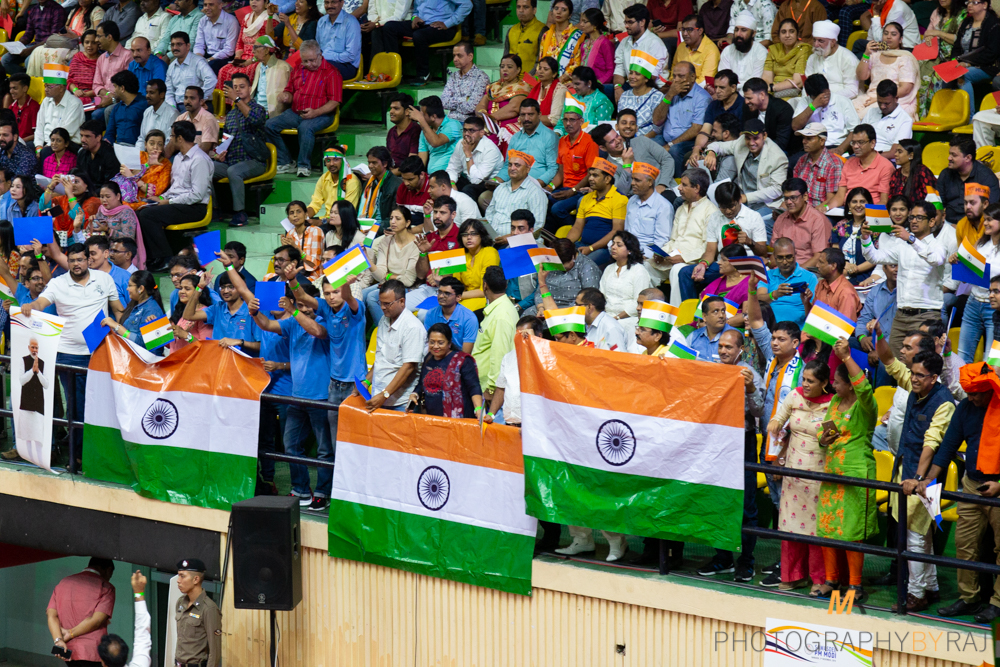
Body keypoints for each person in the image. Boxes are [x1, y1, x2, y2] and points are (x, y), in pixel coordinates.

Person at [23, 243, 123, 459]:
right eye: (72, 260)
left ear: (88, 260)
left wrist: (126, 332)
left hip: (101, 351)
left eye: (80, 260)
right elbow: (42, 302)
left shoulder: (104, 280)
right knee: (77, 407)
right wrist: (32, 306)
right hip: (69, 355)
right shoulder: (59, 283)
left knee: (102, 404)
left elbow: (117, 309)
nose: (76, 264)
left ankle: (101, 454)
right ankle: (78, 456)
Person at [875, 331, 951, 611]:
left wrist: (919, 479)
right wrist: (879, 335)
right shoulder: (916, 385)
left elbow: (931, 444)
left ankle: (916, 594)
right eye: (913, 374)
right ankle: (930, 588)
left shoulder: (944, 403)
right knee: (922, 535)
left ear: (933, 377)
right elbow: (890, 362)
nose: (914, 379)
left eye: (920, 375)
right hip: (906, 471)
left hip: (925, 479)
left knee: (915, 537)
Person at [928, 363, 1000, 622]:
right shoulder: (966, 408)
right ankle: (969, 597)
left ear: (990, 389)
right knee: (964, 543)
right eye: (968, 394)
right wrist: (927, 479)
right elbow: (947, 446)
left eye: (976, 394)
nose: (970, 398)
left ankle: (998, 602)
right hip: (972, 483)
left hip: (998, 486)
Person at [812, 339, 878, 600]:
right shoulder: (834, 402)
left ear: (850, 383)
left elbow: (864, 388)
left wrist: (847, 357)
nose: (833, 386)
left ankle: (855, 585)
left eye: (837, 382)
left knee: (851, 532)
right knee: (828, 526)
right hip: (831, 471)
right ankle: (831, 581)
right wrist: (822, 439)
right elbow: (824, 428)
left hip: (855, 473)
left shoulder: (866, 406)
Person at [696, 328, 764, 580]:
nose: (723, 351)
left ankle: (746, 560)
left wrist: (749, 389)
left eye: (729, 347)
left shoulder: (749, 374)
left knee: (746, 505)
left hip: (742, 442)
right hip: (715, 442)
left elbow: (758, 413)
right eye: (721, 347)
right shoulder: (712, 370)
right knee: (718, 499)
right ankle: (723, 558)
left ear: (741, 350)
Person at [764, 359, 833, 593]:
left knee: (815, 530)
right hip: (793, 473)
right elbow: (777, 418)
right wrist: (774, 425)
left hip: (819, 475)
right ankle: (792, 576)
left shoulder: (833, 404)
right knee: (790, 526)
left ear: (824, 383)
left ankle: (818, 579)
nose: (805, 384)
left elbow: (833, 439)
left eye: (811, 381)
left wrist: (828, 436)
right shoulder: (794, 396)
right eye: (804, 379)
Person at [860, 199, 947, 357]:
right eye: (912, 217)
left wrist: (911, 239)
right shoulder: (902, 246)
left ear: (932, 221)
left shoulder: (937, 245)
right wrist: (865, 238)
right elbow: (875, 257)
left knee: (921, 363)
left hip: (926, 315)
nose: (914, 221)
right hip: (901, 315)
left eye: (919, 218)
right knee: (892, 363)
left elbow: (936, 259)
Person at [138, 121, 212, 273]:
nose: (170, 140)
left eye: (171, 136)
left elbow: (197, 194)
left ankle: (165, 258)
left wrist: (169, 201)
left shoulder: (200, 160)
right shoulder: (178, 158)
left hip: (194, 207)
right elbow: (175, 187)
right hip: (178, 203)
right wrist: (161, 198)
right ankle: (153, 257)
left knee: (148, 215)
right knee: (141, 210)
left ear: (179, 138)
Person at [677, 180, 766, 300]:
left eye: (731, 206)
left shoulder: (753, 217)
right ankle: (692, 313)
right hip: (722, 265)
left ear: (740, 200)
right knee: (685, 273)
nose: (728, 211)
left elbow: (762, 252)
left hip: (744, 265)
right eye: (723, 207)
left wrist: (750, 242)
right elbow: (710, 251)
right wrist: (703, 264)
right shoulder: (715, 217)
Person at [265, 40, 340, 177]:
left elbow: (334, 101)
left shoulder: (331, 72)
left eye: (311, 60)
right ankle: (286, 162)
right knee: (269, 125)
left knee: (305, 128)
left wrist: (316, 112)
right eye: (305, 61)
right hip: (296, 112)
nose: (308, 64)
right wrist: (286, 96)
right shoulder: (299, 68)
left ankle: (304, 165)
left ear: (320, 55)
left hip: (322, 114)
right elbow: (289, 90)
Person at [704, 118, 787, 232]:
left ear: (765, 136)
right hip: (741, 199)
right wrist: (711, 153)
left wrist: (746, 198)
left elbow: (777, 190)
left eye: (755, 138)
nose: (751, 143)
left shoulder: (778, 157)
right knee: (716, 219)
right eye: (748, 138)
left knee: (746, 226)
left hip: (765, 204)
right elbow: (718, 146)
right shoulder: (741, 143)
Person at [359, 279, 426, 411]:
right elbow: (380, 358)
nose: (382, 307)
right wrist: (366, 382)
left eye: (387, 304)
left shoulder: (412, 327)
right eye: (381, 303)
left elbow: (408, 367)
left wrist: (384, 395)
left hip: (400, 402)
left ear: (402, 301)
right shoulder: (384, 320)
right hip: (379, 396)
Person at [211, 72, 268, 228]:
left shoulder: (258, 109)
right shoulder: (230, 115)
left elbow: (255, 120)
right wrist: (221, 152)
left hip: (254, 161)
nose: (238, 91)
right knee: (206, 167)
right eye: (235, 88)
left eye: (241, 87)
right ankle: (215, 209)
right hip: (232, 160)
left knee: (234, 171)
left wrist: (236, 99)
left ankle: (240, 213)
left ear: (250, 88)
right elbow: (227, 139)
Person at [655, 168, 718, 306]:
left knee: (678, 270)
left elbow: (707, 246)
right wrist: (661, 253)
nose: (679, 188)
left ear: (696, 188)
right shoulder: (680, 208)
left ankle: (679, 320)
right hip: (672, 257)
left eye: (684, 185)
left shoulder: (711, 211)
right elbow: (673, 240)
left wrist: (684, 258)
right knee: (644, 268)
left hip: (691, 261)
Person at [374, 0, 471, 87]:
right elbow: (416, 10)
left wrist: (448, 23)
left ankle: (423, 74)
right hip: (423, 24)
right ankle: (396, 72)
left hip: (443, 27)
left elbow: (467, 5)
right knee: (389, 27)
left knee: (419, 35)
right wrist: (414, 18)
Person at [954, 203, 1000, 363]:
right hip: (973, 303)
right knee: (962, 356)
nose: (985, 223)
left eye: (990, 220)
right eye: (984, 219)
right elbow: (968, 271)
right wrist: (958, 261)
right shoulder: (981, 243)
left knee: (991, 360)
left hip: (994, 307)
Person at [47, 558, 116, 664]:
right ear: (109, 570)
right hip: (94, 652)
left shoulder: (64, 582)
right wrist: (70, 634)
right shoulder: (106, 587)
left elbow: (51, 615)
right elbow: (97, 620)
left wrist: (59, 640)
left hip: (68, 651)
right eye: (110, 575)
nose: (109, 578)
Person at [410, 321, 483, 418]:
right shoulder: (428, 358)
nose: (435, 346)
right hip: (431, 416)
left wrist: (478, 409)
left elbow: (474, 387)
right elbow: (421, 384)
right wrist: (414, 394)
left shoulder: (462, 361)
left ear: (449, 343)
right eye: (432, 342)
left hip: (458, 417)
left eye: (440, 343)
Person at [544, 106, 600, 232]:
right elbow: (560, 173)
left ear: (581, 121)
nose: (568, 123)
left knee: (557, 209)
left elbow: (591, 173)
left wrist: (573, 190)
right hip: (565, 188)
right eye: (565, 120)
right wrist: (549, 187)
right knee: (544, 201)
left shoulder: (589, 142)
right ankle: (551, 239)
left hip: (582, 190)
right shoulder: (562, 141)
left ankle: (574, 235)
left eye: (572, 120)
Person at [566, 158, 627, 268]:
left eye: (595, 175)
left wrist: (591, 248)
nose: (590, 179)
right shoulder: (586, 198)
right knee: (559, 260)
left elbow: (616, 231)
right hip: (583, 245)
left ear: (607, 179)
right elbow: (577, 227)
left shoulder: (620, 199)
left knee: (580, 266)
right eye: (590, 175)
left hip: (604, 249)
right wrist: (565, 245)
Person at [484, 314, 543, 427]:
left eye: (525, 334)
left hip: (534, 425)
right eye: (518, 334)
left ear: (538, 335)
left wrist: (535, 343)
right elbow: (501, 388)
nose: (520, 338)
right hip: (510, 422)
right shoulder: (509, 357)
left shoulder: (545, 356)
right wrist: (491, 414)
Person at [471, 265, 518, 406]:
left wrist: (491, 390)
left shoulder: (501, 316)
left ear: (485, 285)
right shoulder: (500, 309)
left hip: (490, 390)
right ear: (506, 284)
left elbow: (500, 355)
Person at [360, 205, 421, 313]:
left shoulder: (416, 244)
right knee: (362, 294)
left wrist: (388, 276)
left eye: (397, 219)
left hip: (407, 288)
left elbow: (408, 281)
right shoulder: (385, 241)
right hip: (388, 283)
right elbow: (380, 275)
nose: (392, 222)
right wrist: (367, 258)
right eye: (391, 218)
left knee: (372, 297)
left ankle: (384, 327)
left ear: (407, 223)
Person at [593, 119, 675, 198]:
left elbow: (667, 159)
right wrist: (626, 166)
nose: (618, 141)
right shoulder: (608, 167)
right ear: (603, 148)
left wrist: (662, 184)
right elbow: (621, 192)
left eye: (617, 136)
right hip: (638, 201)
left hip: (665, 190)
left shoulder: (641, 141)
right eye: (612, 141)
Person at [855, 23, 919, 122]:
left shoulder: (905, 58)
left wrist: (879, 98)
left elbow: (905, 89)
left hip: (893, 99)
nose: (888, 37)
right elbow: (862, 76)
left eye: (893, 34)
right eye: (886, 33)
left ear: (901, 39)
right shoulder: (875, 54)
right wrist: (866, 54)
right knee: (848, 110)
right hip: (871, 96)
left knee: (864, 116)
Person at [658, 61, 711, 175]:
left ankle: (678, 183)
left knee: (675, 150)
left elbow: (696, 128)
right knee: (647, 144)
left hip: (688, 141)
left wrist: (671, 144)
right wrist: (669, 95)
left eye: (681, 76)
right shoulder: (672, 93)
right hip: (665, 137)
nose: (676, 80)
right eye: (674, 76)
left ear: (692, 77)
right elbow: (657, 120)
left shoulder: (702, 97)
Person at [526, 238, 601, 315]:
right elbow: (540, 291)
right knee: (527, 315)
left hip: (570, 312)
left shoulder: (588, 267)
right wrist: (541, 307)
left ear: (572, 258)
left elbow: (589, 299)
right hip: (546, 307)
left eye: (562, 266)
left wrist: (557, 312)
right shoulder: (552, 262)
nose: (558, 268)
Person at [826, 124, 893, 209]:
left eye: (860, 142)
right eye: (853, 143)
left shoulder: (885, 167)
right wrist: (826, 207)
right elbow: (840, 196)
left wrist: (861, 214)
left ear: (872, 143)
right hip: (846, 211)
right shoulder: (849, 163)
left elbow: (884, 202)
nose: (855, 146)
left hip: (870, 213)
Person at [938, 137, 1000, 225]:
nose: (949, 158)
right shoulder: (945, 174)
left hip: (976, 225)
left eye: (954, 155)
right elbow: (939, 204)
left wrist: (963, 227)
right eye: (949, 154)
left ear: (967, 158)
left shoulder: (986, 177)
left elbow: (991, 211)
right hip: (947, 224)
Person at [686, 69, 745, 163]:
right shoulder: (713, 105)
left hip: (732, 149)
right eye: (716, 87)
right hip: (712, 146)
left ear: (733, 87)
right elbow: (705, 130)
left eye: (722, 88)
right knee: (691, 158)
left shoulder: (744, 106)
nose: (717, 91)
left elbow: (742, 138)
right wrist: (696, 150)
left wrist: (713, 150)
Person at [624, 161, 674, 268]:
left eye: (637, 180)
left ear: (650, 182)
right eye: (632, 179)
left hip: (647, 257)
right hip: (627, 252)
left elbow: (662, 241)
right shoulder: (631, 201)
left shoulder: (663, 206)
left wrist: (642, 255)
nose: (632, 183)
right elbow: (627, 232)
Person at [613, 3, 669, 100]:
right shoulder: (625, 42)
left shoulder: (654, 43)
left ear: (642, 22)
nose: (626, 26)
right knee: (602, 90)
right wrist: (617, 87)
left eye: (630, 22)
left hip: (652, 87)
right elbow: (619, 68)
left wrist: (630, 93)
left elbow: (651, 77)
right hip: (631, 84)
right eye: (625, 22)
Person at [484, 150, 548, 234]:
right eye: (510, 165)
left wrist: (511, 238)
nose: (512, 168)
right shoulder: (500, 188)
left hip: (519, 242)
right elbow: (489, 215)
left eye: (517, 165)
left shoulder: (535, 192)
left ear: (528, 169)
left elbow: (538, 226)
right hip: (493, 239)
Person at [174, 559, 221, 667]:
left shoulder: (209, 609)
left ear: (196, 579)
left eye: (182, 576)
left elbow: (215, 650)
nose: (178, 580)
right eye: (178, 576)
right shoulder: (181, 602)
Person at [0, 0, 67, 75]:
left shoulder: (58, 10)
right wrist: (18, 45)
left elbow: (53, 38)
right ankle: (23, 79)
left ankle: (28, 81)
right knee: (5, 60)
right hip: (35, 45)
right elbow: (28, 34)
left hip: (49, 47)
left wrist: (31, 49)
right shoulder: (34, 10)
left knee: (28, 61)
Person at [446, 115, 503, 202]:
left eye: (471, 131)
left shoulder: (490, 149)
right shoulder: (461, 144)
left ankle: (468, 214)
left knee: (468, 189)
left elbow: (476, 180)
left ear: (481, 133)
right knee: (445, 183)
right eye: (465, 130)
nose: (466, 134)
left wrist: (468, 154)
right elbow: (453, 167)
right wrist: (452, 183)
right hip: (469, 178)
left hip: (488, 183)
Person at [764, 238, 818, 327]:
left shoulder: (810, 277)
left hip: (796, 330)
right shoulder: (767, 275)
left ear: (795, 254)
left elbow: (814, 317)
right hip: (770, 329)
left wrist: (806, 302)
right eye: (780, 258)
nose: (785, 262)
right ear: (774, 257)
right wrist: (775, 294)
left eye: (789, 257)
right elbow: (758, 300)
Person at [102, 270, 165, 345]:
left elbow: (144, 344)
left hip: (143, 356)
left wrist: (117, 326)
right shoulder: (135, 304)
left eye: (130, 285)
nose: (127, 289)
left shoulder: (152, 311)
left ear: (141, 289)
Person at [599, 230, 651, 320]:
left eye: (619, 245)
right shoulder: (609, 269)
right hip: (606, 317)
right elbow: (601, 296)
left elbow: (639, 303)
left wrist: (617, 318)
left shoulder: (639, 270)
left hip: (628, 318)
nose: (614, 247)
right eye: (613, 244)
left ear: (630, 250)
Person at [792, 123, 843, 211]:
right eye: (803, 138)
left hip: (820, 212)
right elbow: (793, 190)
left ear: (822, 141)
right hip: (798, 209)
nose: (804, 141)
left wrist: (810, 214)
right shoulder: (801, 160)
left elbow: (831, 198)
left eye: (809, 138)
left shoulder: (833, 164)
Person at [804, 21, 860, 101]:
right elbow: (808, 85)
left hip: (842, 101)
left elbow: (852, 91)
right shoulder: (812, 58)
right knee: (792, 102)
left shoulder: (848, 58)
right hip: (815, 101)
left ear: (833, 42)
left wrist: (827, 98)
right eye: (814, 40)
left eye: (820, 41)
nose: (816, 45)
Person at [452, 219, 500, 312]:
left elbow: (484, 290)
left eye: (473, 234)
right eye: (465, 235)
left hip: (484, 298)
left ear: (481, 236)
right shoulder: (461, 255)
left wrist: (457, 296)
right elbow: (456, 285)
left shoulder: (489, 252)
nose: (468, 237)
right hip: (462, 298)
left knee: (453, 312)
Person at [831, 187, 876, 285]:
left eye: (862, 201)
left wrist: (855, 269)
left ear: (869, 204)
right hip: (841, 273)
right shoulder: (840, 226)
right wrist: (845, 266)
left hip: (866, 277)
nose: (858, 205)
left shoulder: (876, 228)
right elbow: (835, 254)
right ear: (849, 205)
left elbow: (877, 258)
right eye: (854, 201)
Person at [35, 66, 85, 151]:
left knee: (46, 152)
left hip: (67, 144)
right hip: (48, 144)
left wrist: (47, 147)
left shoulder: (75, 104)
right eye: (45, 86)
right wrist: (38, 146)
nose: (46, 90)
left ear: (61, 88)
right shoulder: (46, 101)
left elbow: (66, 133)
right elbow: (39, 126)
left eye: (49, 87)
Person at [119, 129, 172, 211]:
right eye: (151, 143)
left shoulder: (166, 165)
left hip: (146, 201)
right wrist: (147, 164)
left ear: (163, 146)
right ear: (145, 145)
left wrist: (133, 178)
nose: (155, 147)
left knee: (124, 208)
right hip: (128, 194)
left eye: (159, 144)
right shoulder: (139, 155)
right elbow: (125, 175)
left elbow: (156, 191)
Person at [164, 33, 217, 111]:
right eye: (172, 45)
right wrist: (172, 107)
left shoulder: (198, 62)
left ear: (188, 46)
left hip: (196, 106)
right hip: (178, 106)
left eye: (179, 44)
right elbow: (169, 91)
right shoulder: (172, 66)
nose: (175, 48)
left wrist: (201, 100)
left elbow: (212, 79)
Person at [555, 65, 613, 135]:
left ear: (589, 83)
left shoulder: (601, 101)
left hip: (590, 141)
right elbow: (561, 124)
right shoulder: (572, 98)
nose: (574, 87)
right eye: (573, 83)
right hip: (567, 140)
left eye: (577, 84)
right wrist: (555, 136)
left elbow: (600, 130)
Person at [442, 42, 490, 122]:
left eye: (459, 56)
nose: (455, 59)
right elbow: (443, 102)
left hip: (467, 123)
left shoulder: (481, 77)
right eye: (454, 56)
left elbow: (471, 107)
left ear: (470, 57)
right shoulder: (454, 76)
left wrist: (453, 103)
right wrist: (464, 99)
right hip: (449, 120)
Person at [719, 11, 768, 87]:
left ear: (753, 33)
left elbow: (755, 84)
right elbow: (722, 80)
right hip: (729, 95)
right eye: (736, 30)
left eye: (743, 30)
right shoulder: (727, 51)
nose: (738, 34)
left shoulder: (761, 52)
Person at [315, 0, 361, 81]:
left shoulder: (351, 22)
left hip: (347, 66)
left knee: (319, 70)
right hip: (323, 62)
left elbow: (350, 55)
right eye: (327, 2)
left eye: (333, 2)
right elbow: (318, 48)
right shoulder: (321, 21)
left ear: (342, 3)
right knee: (301, 67)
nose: (329, 6)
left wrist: (325, 56)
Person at [537, 0, 582, 80]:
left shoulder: (577, 35)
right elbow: (541, 60)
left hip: (568, 82)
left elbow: (577, 63)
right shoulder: (546, 35)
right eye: (556, 8)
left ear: (570, 15)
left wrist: (561, 79)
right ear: (552, 12)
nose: (559, 12)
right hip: (547, 80)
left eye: (564, 10)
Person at [616, 67, 665, 140]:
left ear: (646, 79)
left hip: (648, 139)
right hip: (625, 138)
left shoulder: (657, 96)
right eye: (631, 73)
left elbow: (657, 129)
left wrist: (637, 142)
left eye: (637, 74)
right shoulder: (624, 95)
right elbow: (620, 121)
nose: (632, 77)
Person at [248, 36, 292, 118]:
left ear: (267, 50)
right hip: (256, 109)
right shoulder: (259, 66)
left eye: (256, 47)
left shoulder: (283, 67)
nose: (253, 51)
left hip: (272, 114)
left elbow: (283, 98)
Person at [193, 0, 240, 75]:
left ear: (220, 5)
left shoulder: (231, 21)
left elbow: (229, 50)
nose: (207, 8)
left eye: (211, 5)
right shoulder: (202, 20)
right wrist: (198, 59)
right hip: (207, 56)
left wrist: (208, 60)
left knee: (210, 67)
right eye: (205, 5)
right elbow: (199, 44)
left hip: (223, 58)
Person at [170, 86, 220, 156]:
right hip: (181, 157)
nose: (188, 101)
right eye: (186, 98)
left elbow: (205, 148)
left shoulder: (209, 119)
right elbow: (172, 143)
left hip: (201, 160)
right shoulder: (181, 118)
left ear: (201, 101)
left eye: (192, 98)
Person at [672, 13, 720, 87]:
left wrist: (680, 84)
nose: (684, 34)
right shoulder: (681, 46)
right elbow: (674, 70)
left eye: (689, 30)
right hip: (678, 88)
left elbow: (704, 81)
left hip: (699, 91)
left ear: (700, 31)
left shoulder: (711, 51)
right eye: (683, 29)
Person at [104, 71, 149, 147]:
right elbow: (109, 133)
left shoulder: (145, 106)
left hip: (138, 150)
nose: (114, 91)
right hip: (119, 149)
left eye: (115, 87)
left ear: (122, 88)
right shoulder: (116, 108)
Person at [687, 294, 736, 361]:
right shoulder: (693, 337)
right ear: (704, 316)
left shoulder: (735, 337)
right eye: (715, 311)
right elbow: (683, 363)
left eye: (723, 311)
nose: (721, 315)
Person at [503, 0, 547, 76]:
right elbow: (505, 58)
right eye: (518, 7)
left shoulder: (543, 31)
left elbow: (542, 60)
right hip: (510, 79)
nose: (521, 10)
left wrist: (529, 78)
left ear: (534, 10)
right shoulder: (511, 30)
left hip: (532, 80)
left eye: (525, 7)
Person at [134, 80, 179, 150]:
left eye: (151, 93)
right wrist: (138, 155)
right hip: (147, 155)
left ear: (162, 94)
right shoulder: (147, 112)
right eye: (147, 92)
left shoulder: (172, 114)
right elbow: (142, 138)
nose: (147, 96)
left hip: (163, 155)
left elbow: (170, 142)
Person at [577, 9, 615, 85]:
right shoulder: (584, 43)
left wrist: (596, 84)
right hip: (584, 84)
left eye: (585, 22)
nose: (581, 24)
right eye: (581, 21)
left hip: (599, 85)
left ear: (595, 24)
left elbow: (611, 71)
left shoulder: (605, 43)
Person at [386, 93, 421, 172]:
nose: (391, 111)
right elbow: (387, 157)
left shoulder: (415, 130)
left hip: (405, 175)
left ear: (407, 111)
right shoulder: (392, 131)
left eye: (396, 108)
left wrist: (388, 175)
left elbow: (411, 164)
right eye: (391, 108)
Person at [67, 30, 101, 107]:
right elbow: (69, 80)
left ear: (98, 44)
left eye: (93, 43)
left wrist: (86, 94)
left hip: (96, 95)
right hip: (75, 93)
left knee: (97, 110)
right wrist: (76, 90)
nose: (90, 45)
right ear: (83, 43)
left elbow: (104, 85)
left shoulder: (102, 59)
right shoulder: (77, 57)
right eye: (87, 42)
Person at [8, 74, 39, 145]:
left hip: (27, 143)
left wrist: (20, 141)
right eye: (10, 88)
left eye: (15, 88)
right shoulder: (11, 107)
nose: (11, 91)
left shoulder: (34, 107)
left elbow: (38, 133)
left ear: (25, 88)